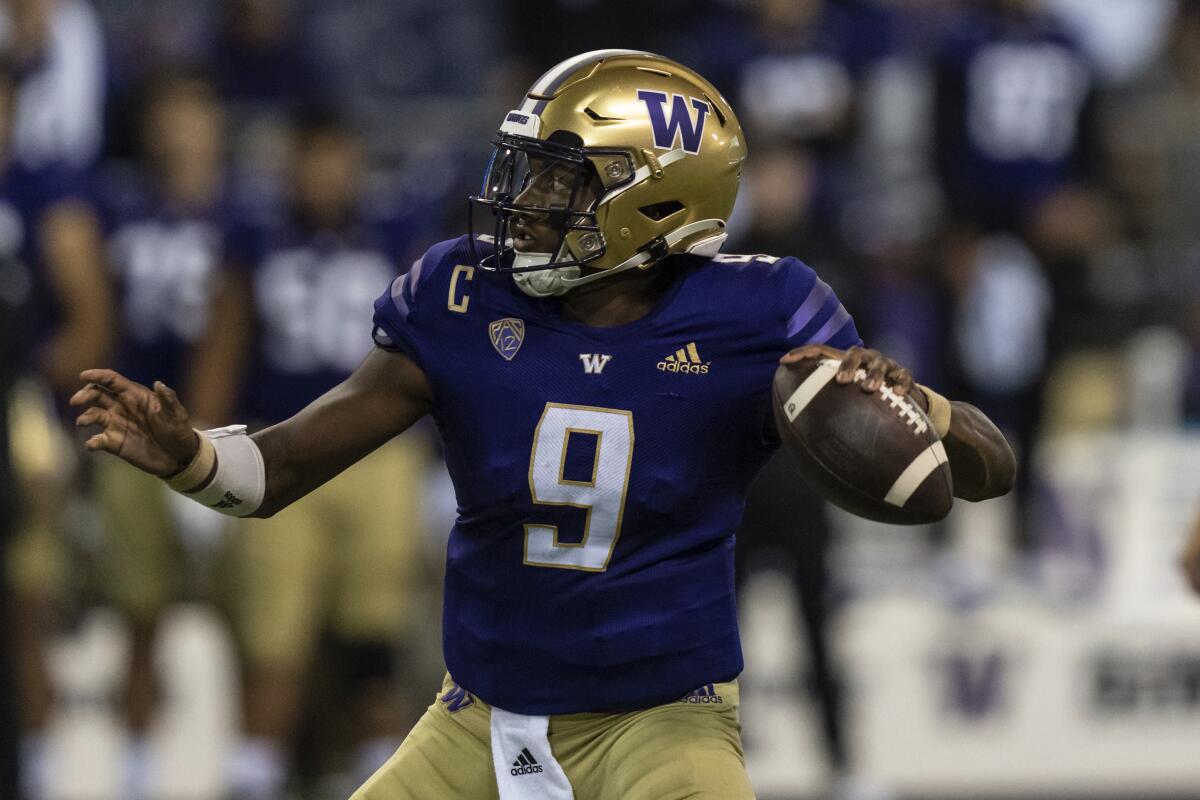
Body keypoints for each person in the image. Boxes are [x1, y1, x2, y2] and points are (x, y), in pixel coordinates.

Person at [72, 50, 1016, 799]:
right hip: (475, 722)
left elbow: (987, 465)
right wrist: (191, 457)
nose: (523, 205)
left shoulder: (762, 309)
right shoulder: (460, 295)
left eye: (562, 183)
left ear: (655, 201)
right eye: (525, 173)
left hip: (663, 724)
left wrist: (913, 404)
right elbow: (276, 470)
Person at [214, 109, 434, 798]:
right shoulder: (256, 235)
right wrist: (207, 439)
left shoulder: (396, 232)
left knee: (376, 633)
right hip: (280, 447)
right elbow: (226, 341)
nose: (322, 173)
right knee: (272, 637)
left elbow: (440, 352)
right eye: (309, 157)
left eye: (333, 156)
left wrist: (447, 461)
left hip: (382, 454)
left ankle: (373, 776)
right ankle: (259, 774)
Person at [91, 68, 236, 800]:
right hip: (134, 435)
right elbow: (100, 317)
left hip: (231, 437)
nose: (179, 129)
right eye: (167, 113)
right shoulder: (122, 212)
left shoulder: (245, 217)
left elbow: (244, 334)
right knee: (138, 610)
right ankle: (137, 770)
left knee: (253, 616)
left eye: (194, 111)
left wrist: (214, 434)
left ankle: (256, 769)